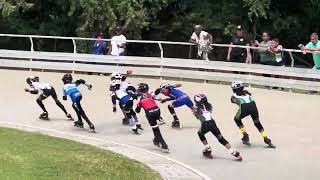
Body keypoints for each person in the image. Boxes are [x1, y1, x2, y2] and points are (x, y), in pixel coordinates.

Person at [193, 94, 242, 160]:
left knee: (200, 134)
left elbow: (198, 117)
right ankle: (233, 152)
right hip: (212, 123)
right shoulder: (208, 105)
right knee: (220, 138)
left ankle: (208, 148)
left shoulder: (195, 108)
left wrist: (195, 112)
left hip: (205, 124)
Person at [230, 81, 275, 148]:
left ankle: (245, 135)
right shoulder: (246, 93)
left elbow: (232, 100)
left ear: (234, 89)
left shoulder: (234, 96)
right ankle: (266, 138)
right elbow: (249, 94)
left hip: (244, 107)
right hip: (253, 105)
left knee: (236, 119)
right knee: (257, 122)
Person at [135, 83, 169, 152]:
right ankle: (156, 140)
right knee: (155, 127)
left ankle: (164, 145)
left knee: (156, 129)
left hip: (149, 113)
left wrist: (138, 106)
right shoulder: (149, 94)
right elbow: (155, 95)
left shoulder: (139, 98)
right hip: (157, 110)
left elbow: (137, 111)